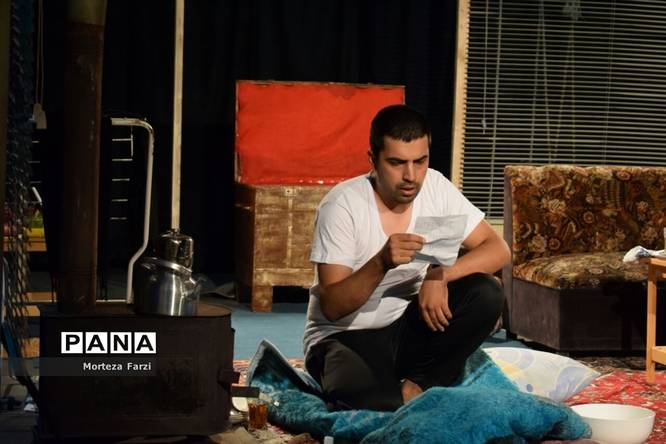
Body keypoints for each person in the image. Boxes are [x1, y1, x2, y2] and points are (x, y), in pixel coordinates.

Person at [302, 104, 511, 412]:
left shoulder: (435, 188)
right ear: (373, 160)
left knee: (487, 291)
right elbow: (332, 307)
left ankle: (419, 384)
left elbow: (497, 249)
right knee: (374, 406)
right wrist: (381, 262)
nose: (410, 176)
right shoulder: (342, 206)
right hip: (342, 337)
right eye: (397, 163)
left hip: (404, 329)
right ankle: (388, 390)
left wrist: (438, 276)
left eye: (420, 161)